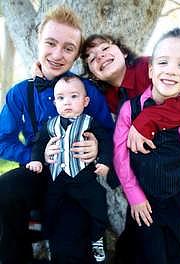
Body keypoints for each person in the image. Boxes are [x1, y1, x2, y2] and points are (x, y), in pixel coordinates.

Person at [0, 5, 114, 264]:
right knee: (5, 191)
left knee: (68, 245)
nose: (57, 54)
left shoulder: (87, 92)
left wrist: (97, 146)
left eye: (68, 48)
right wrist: (37, 154)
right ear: (38, 42)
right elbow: (2, 140)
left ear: (76, 56)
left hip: (75, 177)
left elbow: (108, 131)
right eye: (50, 43)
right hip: (37, 171)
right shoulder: (20, 93)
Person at [113, 28, 180, 264]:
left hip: (177, 200)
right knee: (148, 254)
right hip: (144, 202)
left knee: (174, 251)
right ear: (151, 70)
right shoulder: (131, 109)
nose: (171, 70)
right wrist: (134, 195)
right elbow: (121, 157)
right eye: (163, 62)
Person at [26, 76, 112, 263]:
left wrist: (104, 161)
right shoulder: (49, 125)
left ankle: (97, 237)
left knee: (98, 202)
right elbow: (39, 145)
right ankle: (49, 240)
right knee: (49, 208)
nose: (67, 102)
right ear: (55, 102)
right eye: (61, 98)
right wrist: (37, 160)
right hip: (57, 180)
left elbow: (105, 142)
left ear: (85, 101)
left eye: (74, 96)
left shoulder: (90, 123)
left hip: (84, 180)